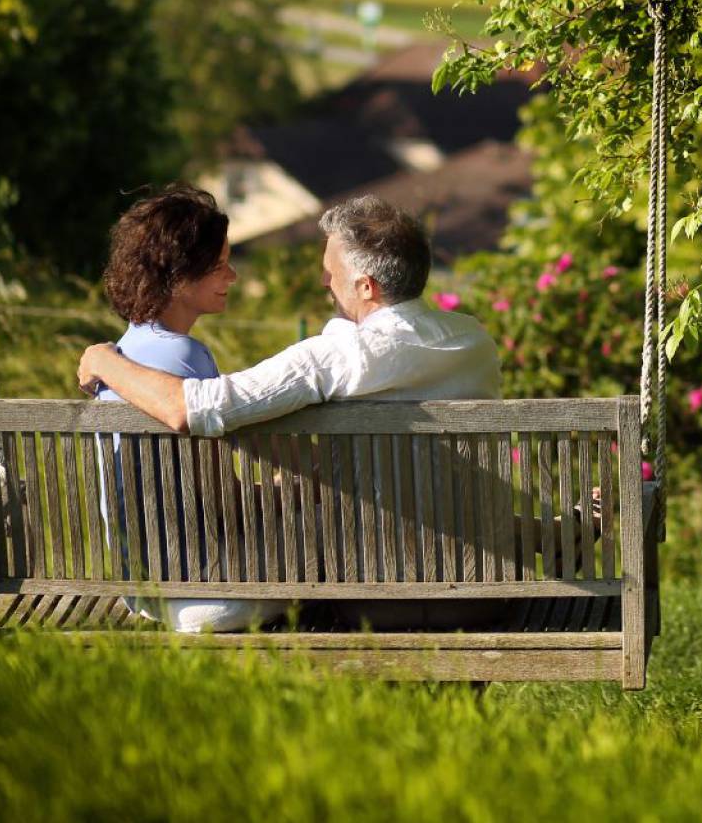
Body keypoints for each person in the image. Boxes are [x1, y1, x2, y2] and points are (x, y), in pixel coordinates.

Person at [78, 194, 503, 630]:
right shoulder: (474, 340)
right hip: (482, 584)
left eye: (331, 271)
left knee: (325, 521)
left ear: (365, 286)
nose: (323, 280)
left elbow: (194, 408)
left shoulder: (337, 356)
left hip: (376, 592)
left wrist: (103, 360)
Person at [91, 185, 267, 633]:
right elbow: (223, 503)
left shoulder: (120, 355)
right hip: (202, 587)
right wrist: (287, 493)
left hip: (142, 586)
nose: (232, 277)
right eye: (219, 265)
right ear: (179, 274)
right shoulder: (186, 358)